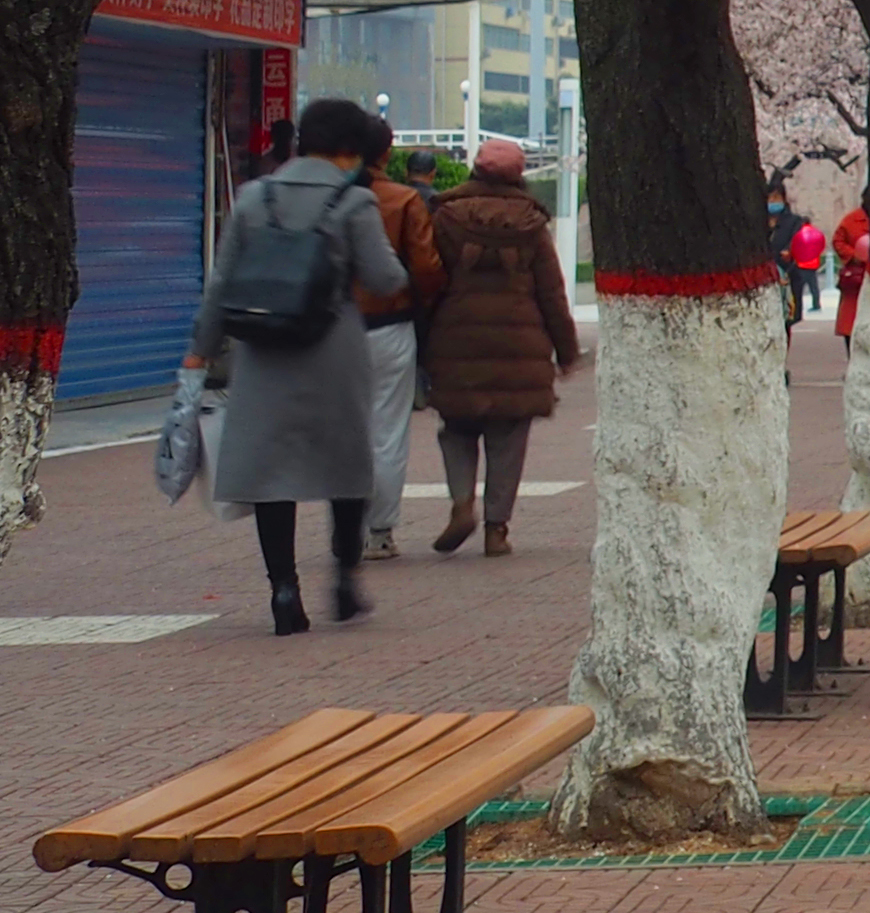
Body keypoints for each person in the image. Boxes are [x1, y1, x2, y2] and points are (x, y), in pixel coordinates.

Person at [188, 98, 410, 632]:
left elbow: (221, 284)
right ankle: (344, 581)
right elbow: (385, 280)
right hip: (334, 346)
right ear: (352, 149)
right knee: (347, 465)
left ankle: (284, 592)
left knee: (271, 472)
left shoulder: (252, 199)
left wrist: (202, 350)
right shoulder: (354, 203)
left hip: (264, 349)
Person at [419, 139, 580, 556]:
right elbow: (552, 293)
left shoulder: (446, 217)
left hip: (456, 340)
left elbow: (428, 281)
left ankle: (461, 503)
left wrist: (421, 341)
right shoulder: (531, 223)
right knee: (508, 437)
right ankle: (497, 528)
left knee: (456, 429)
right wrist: (566, 350)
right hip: (519, 344)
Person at [352, 150, 442, 558]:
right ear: (386, 154)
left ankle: (344, 530)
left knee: (343, 432)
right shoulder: (402, 200)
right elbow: (425, 268)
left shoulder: (319, 198)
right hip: (390, 323)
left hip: (331, 329)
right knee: (387, 430)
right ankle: (379, 531)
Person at [831, 202, 870, 342]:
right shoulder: (852, 219)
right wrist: (854, 255)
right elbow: (838, 241)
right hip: (856, 278)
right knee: (850, 320)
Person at [784, 207, 829, 321]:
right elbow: (821, 246)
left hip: (801, 265)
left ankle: (799, 310)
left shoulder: (799, 233)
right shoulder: (815, 232)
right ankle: (816, 304)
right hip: (813, 264)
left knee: (799, 290)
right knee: (814, 287)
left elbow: (794, 248)